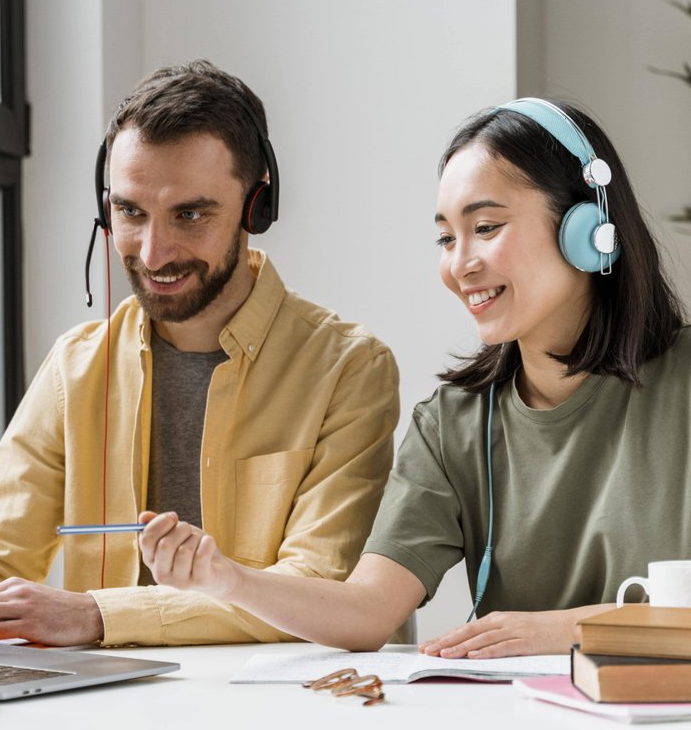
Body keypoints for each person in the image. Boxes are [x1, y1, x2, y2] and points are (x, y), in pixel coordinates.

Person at [138, 97, 690, 657]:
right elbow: (367, 611)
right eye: (447, 238)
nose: (460, 263)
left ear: (587, 227)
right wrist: (226, 579)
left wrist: (566, 629)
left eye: (486, 226)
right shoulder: (453, 423)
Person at [0, 60, 399, 647]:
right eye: (130, 213)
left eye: (190, 214)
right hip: (106, 703)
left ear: (255, 206)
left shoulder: (349, 367)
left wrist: (97, 615)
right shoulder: (76, 368)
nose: (154, 252)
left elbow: (317, 588)